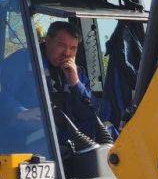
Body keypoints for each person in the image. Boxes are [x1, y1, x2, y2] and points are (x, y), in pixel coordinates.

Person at [0, 21, 108, 149]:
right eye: (61, 45)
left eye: (73, 48)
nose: (67, 53)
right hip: (25, 140)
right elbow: (2, 92)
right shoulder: (23, 61)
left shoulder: (77, 73)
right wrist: (21, 113)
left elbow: (91, 112)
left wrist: (75, 83)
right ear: (47, 40)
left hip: (67, 142)